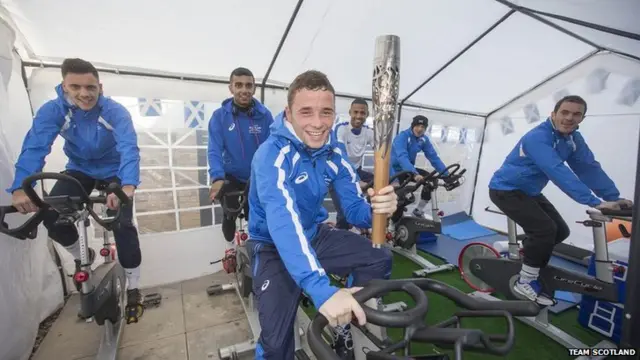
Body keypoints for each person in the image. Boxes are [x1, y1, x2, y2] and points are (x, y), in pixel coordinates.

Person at [246, 70, 397, 360]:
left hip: (315, 237)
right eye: (306, 112)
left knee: (380, 258)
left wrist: (381, 209)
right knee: (277, 347)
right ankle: (327, 302)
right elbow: (284, 224)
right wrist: (320, 289)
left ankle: (344, 320)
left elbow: (355, 212)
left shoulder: (333, 153)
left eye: (326, 112)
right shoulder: (271, 155)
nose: (318, 123)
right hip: (273, 247)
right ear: (288, 113)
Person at [7, 58, 145, 312]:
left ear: (100, 87)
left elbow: (129, 149)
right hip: (79, 169)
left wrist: (127, 186)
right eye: (76, 87)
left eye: (90, 87)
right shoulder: (54, 110)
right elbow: (36, 147)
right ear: (64, 86)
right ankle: (83, 256)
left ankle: (134, 285)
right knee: (50, 216)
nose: (84, 93)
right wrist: (18, 188)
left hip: (114, 170)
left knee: (123, 224)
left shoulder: (114, 112)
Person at [488, 95, 633, 305]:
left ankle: (527, 253)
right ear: (553, 114)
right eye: (564, 113)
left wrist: (613, 197)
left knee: (561, 231)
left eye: (576, 114)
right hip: (506, 189)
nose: (569, 118)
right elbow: (556, 170)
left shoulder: (573, 139)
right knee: (545, 230)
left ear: (582, 118)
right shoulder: (537, 137)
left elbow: (588, 167)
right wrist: (593, 201)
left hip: (529, 191)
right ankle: (524, 280)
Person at [207, 67, 274, 244]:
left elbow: (273, 149)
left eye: (248, 85)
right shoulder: (219, 116)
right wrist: (217, 177)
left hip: (257, 177)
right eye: (238, 85)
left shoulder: (265, 116)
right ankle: (229, 232)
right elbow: (214, 149)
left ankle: (256, 251)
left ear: (254, 88)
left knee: (258, 220)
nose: (244, 90)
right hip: (231, 176)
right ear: (231, 88)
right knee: (230, 215)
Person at [390, 115, 450, 217]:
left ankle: (418, 210)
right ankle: (392, 223)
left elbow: (433, 157)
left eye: (423, 127)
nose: (420, 129)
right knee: (402, 198)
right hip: (394, 171)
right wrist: (415, 174)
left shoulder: (423, 139)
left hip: (408, 170)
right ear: (413, 126)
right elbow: (402, 157)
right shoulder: (402, 137)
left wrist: (447, 175)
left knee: (431, 181)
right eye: (417, 126)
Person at [329, 98, 374, 229]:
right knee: (344, 214)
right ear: (350, 112)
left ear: (367, 114)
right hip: (339, 173)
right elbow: (341, 155)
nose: (359, 116)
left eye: (362, 113)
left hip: (357, 170)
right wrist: (357, 180)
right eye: (356, 112)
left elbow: (382, 154)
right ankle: (340, 239)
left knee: (382, 185)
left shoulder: (369, 132)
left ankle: (367, 221)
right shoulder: (341, 129)